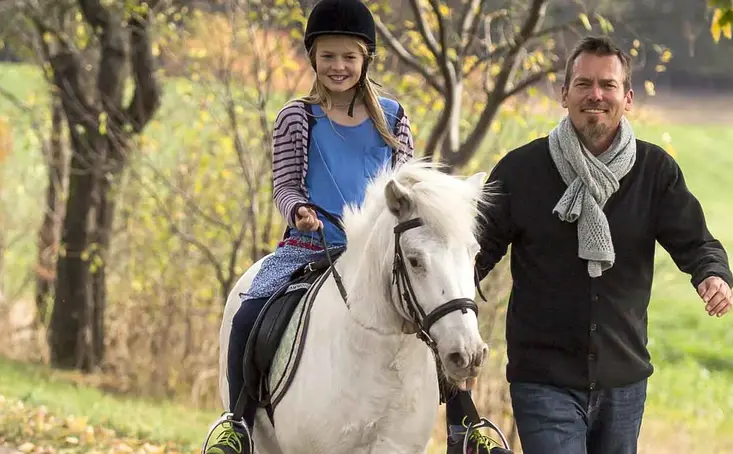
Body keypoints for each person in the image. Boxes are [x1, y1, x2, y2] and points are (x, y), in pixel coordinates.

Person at [200, 1, 509, 453]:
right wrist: (299, 210)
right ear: (313, 59)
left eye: (348, 56)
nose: (338, 66)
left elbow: (408, 189)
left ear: (365, 59)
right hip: (311, 246)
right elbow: (284, 185)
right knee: (249, 310)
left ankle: (465, 425)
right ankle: (237, 424)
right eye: (328, 56)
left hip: (379, 253)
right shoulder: (296, 118)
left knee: (443, 309)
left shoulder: (393, 117)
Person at [465, 36, 733, 453]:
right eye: (583, 84)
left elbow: (697, 242)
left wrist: (712, 275)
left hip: (623, 381)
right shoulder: (520, 170)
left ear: (627, 98)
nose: (596, 95)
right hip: (543, 379)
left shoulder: (654, 171)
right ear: (564, 94)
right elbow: (473, 254)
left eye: (607, 85)